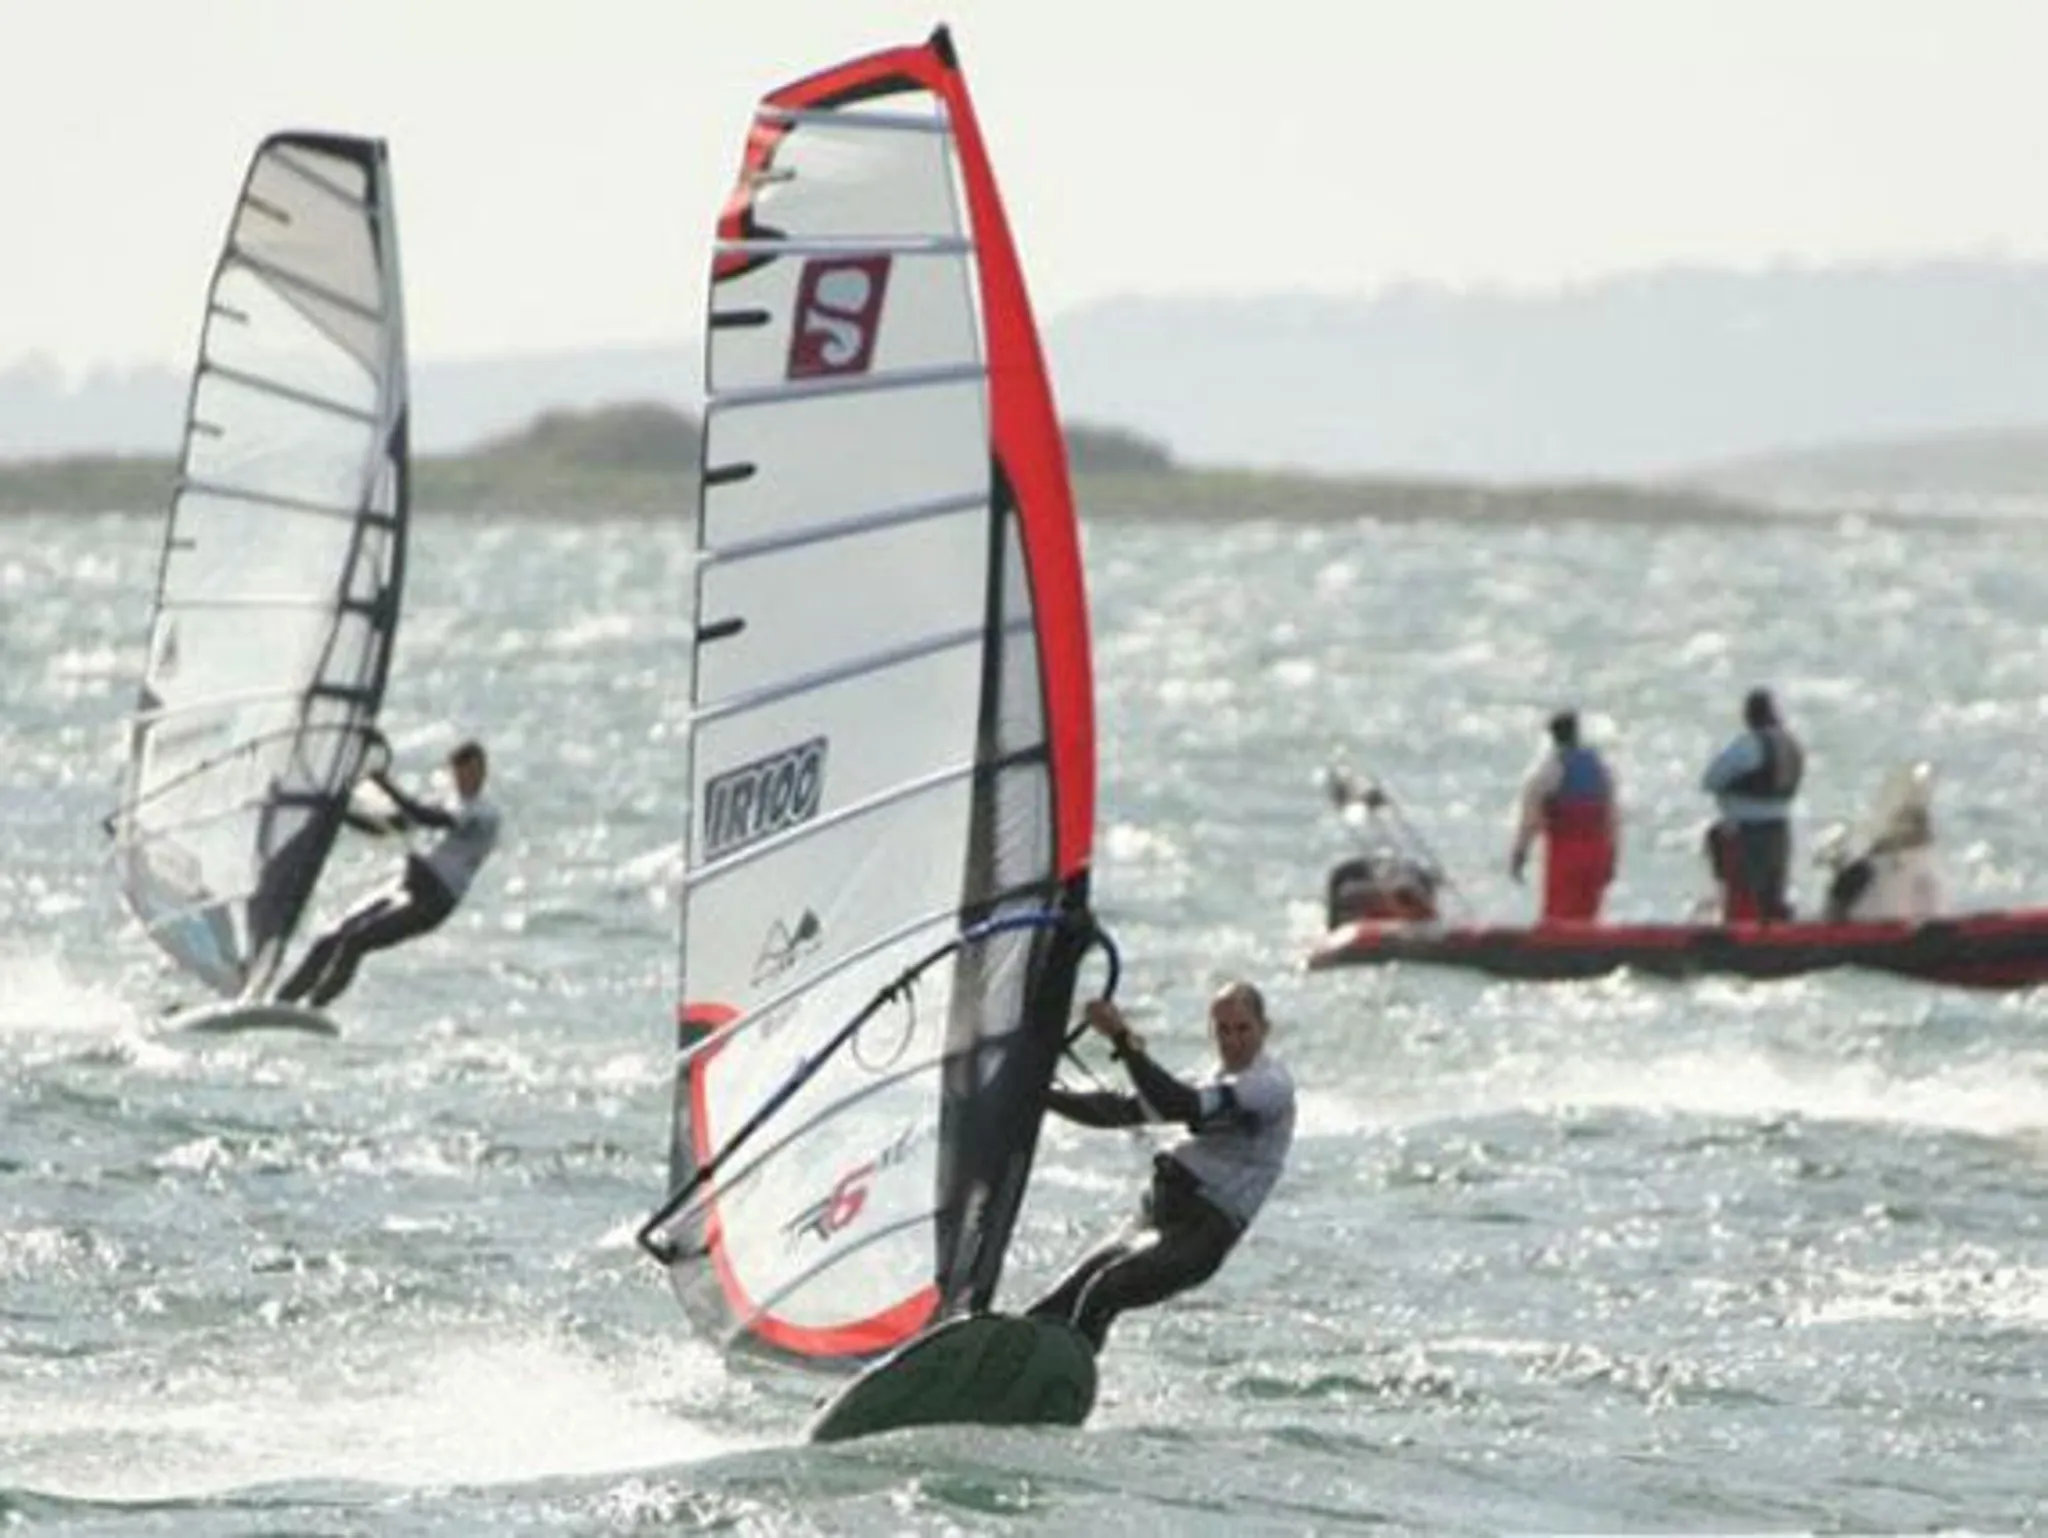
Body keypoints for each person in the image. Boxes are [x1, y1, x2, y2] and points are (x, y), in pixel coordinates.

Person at [1026, 980, 1295, 1352]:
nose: (1233, 1040)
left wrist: (1121, 1037)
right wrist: (1037, 1093)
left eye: (1243, 1029)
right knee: (1058, 1303)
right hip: (1156, 1216)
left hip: (1201, 1232)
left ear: (1264, 1029)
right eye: (1223, 1030)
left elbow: (1177, 1104)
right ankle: (1001, 1363)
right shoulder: (1209, 1077)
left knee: (1103, 1291)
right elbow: (1119, 1110)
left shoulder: (1268, 1085)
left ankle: (1063, 1377)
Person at [274, 740, 501, 1006]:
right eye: (461, 773)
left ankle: (313, 1007)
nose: (467, 780)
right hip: (407, 886)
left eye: (473, 772)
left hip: (434, 901)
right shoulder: (449, 802)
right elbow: (384, 827)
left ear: (483, 772)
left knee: (355, 942)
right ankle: (281, 1002)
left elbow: (425, 817)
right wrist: (338, 813)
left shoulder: (483, 814)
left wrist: (383, 783)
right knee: (330, 938)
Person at [1701, 687, 1804, 922]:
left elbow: (1711, 779)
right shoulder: (1791, 745)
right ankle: (1776, 929)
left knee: (1744, 892)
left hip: (1747, 830)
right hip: (1780, 827)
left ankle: (1743, 932)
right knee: (1773, 892)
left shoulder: (1749, 745)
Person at [1508, 709, 1619, 923]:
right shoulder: (1600, 768)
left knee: (1559, 915)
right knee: (1588, 916)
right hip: (1597, 852)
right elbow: (1612, 817)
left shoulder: (1549, 770)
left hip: (1566, 854)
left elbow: (1530, 819)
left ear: (1552, 737)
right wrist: (1612, 857)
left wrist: (1519, 855)